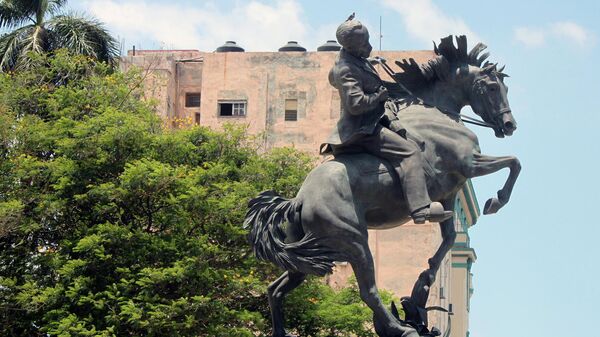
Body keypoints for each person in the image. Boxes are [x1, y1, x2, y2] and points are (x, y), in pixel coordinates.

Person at [320, 16, 453, 224]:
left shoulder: (351, 59)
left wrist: (368, 63)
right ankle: (420, 210)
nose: (370, 46)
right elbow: (356, 105)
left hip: (372, 122)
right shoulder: (346, 68)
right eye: (364, 44)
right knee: (410, 152)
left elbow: (339, 72)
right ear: (351, 47)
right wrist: (378, 97)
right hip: (362, 130)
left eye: (368, 40)